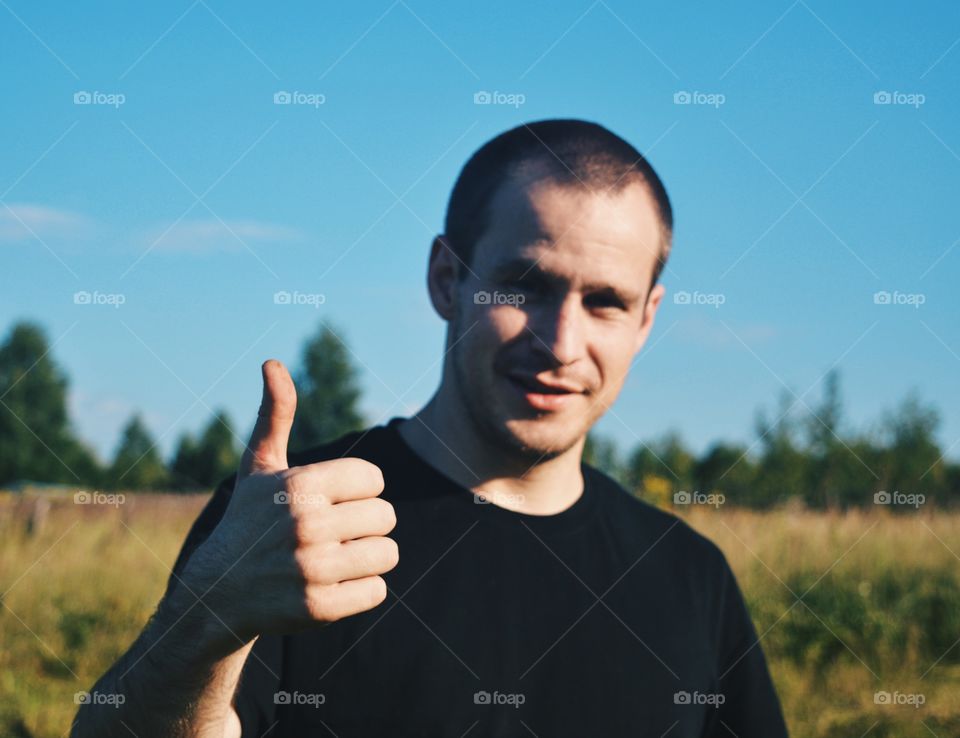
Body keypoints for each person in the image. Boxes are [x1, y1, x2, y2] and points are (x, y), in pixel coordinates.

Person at [72, 119, 789, 737]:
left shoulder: (690, 578)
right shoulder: (298, 526)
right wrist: (206, 621)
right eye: (527, 287)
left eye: (605, 302)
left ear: (647, 318)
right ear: (448, 279)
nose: (562, 343)